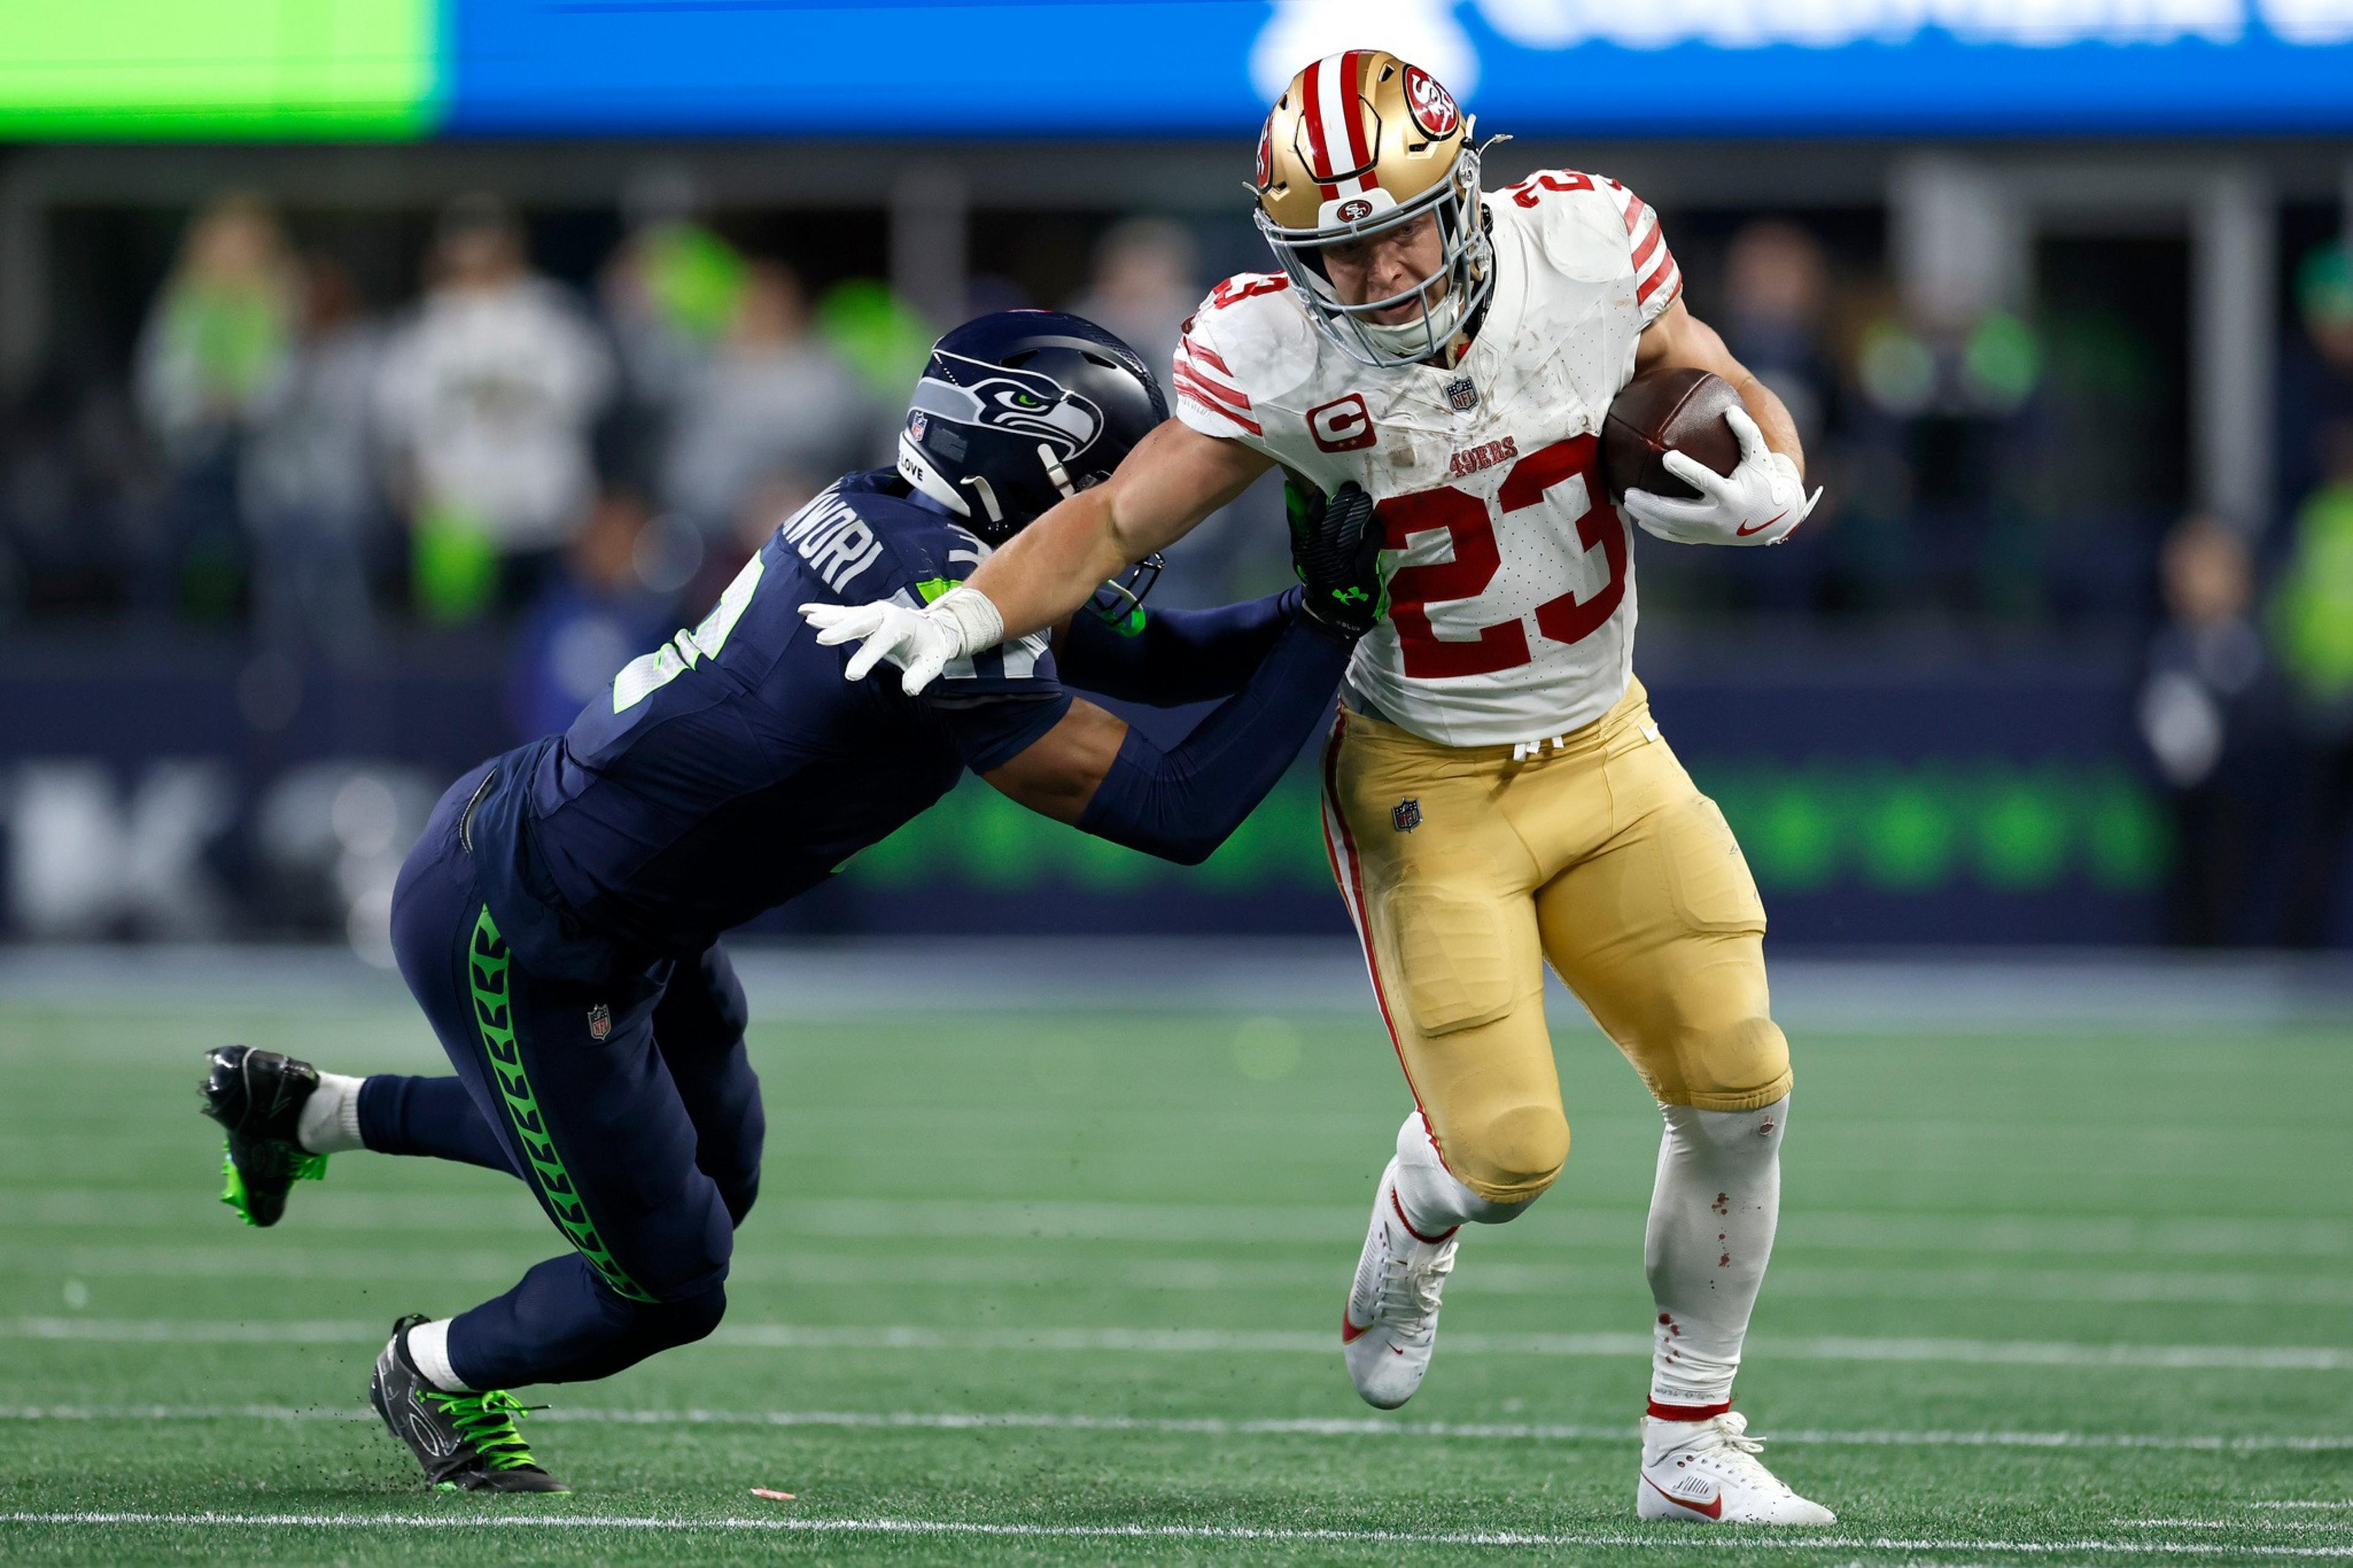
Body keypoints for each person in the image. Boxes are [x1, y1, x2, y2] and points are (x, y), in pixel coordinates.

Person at [808, 51, 1830, 1526]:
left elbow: (1710, 375)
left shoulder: (1587, 244)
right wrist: (969, 611)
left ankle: (1692, 1440)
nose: (1377, 271)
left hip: (1606, 739)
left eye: (1399, 229)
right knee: (1509, 1157)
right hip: (1427, 775)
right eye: (1338, 249)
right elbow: (1114, 519)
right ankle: (1421, 1203)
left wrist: (1773, 474)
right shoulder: (1275, 349)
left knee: (1740, 1085)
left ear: (1460, 191)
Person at [197, 311, 1383, 1493]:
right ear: (1024, 467)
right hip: (531, 928)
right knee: (669, 1278)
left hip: (611, 891)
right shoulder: (933, 602)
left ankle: (312, 1112)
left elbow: (1153, 655)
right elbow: (1178, 808)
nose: (1131, 512)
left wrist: (1315, 608)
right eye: (1108, 481)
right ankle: (430, 1367)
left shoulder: (904, 522)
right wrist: (1328, 624)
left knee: (714, 1166)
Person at [372, 194, 615, 619]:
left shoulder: (551, 317)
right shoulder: (423, 332)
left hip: (548, 521)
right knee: (459, 647)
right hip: (460, 534)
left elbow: (597, 395)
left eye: (489, 247)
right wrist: (413, 499)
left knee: (554, 639)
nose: (478, 260)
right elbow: (392, 430)